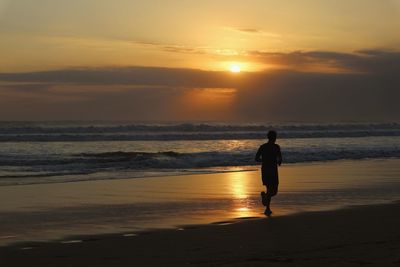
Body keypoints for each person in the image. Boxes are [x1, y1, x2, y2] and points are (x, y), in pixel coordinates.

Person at [255, 130, 282, 216]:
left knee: (269, 189)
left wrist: (264, 160)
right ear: (274, 138)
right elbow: (280, 159)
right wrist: (278, 162)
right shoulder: (276, 147)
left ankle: (267, 205)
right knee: (273, 191)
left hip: (265, 170)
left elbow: (256, 158)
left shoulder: (263, 147)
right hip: (273, 170)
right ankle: (267, 204)